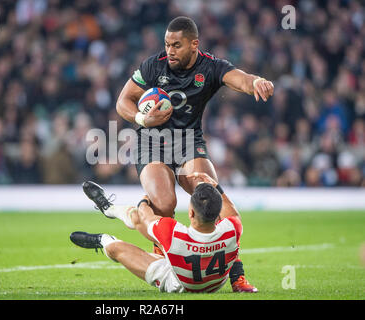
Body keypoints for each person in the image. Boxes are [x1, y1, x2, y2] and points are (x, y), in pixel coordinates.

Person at [115, 16, 272, 292]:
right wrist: (142, 119)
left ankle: (237, 276)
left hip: (189, 141)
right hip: (151, 141)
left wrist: (256, 81)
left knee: (210, 197)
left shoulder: (210, 66)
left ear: (194, 44)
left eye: (176, 45)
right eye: (167, 44)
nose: (170, 51)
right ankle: (164, 259)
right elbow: (123, 101)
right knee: (164, 203)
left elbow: (239, 80)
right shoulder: (154, 65)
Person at [71, 174, 250, 293]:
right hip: (215, 285)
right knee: (146, 227)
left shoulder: (173, 233)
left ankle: (105, 234)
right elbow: (232, 212)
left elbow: (143, 215)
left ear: (191, 213)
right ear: (218, 214)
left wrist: (148, 196)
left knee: (116, 246)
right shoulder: (233, 229)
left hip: (178, 282)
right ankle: (109, 210)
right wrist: (215, 185)